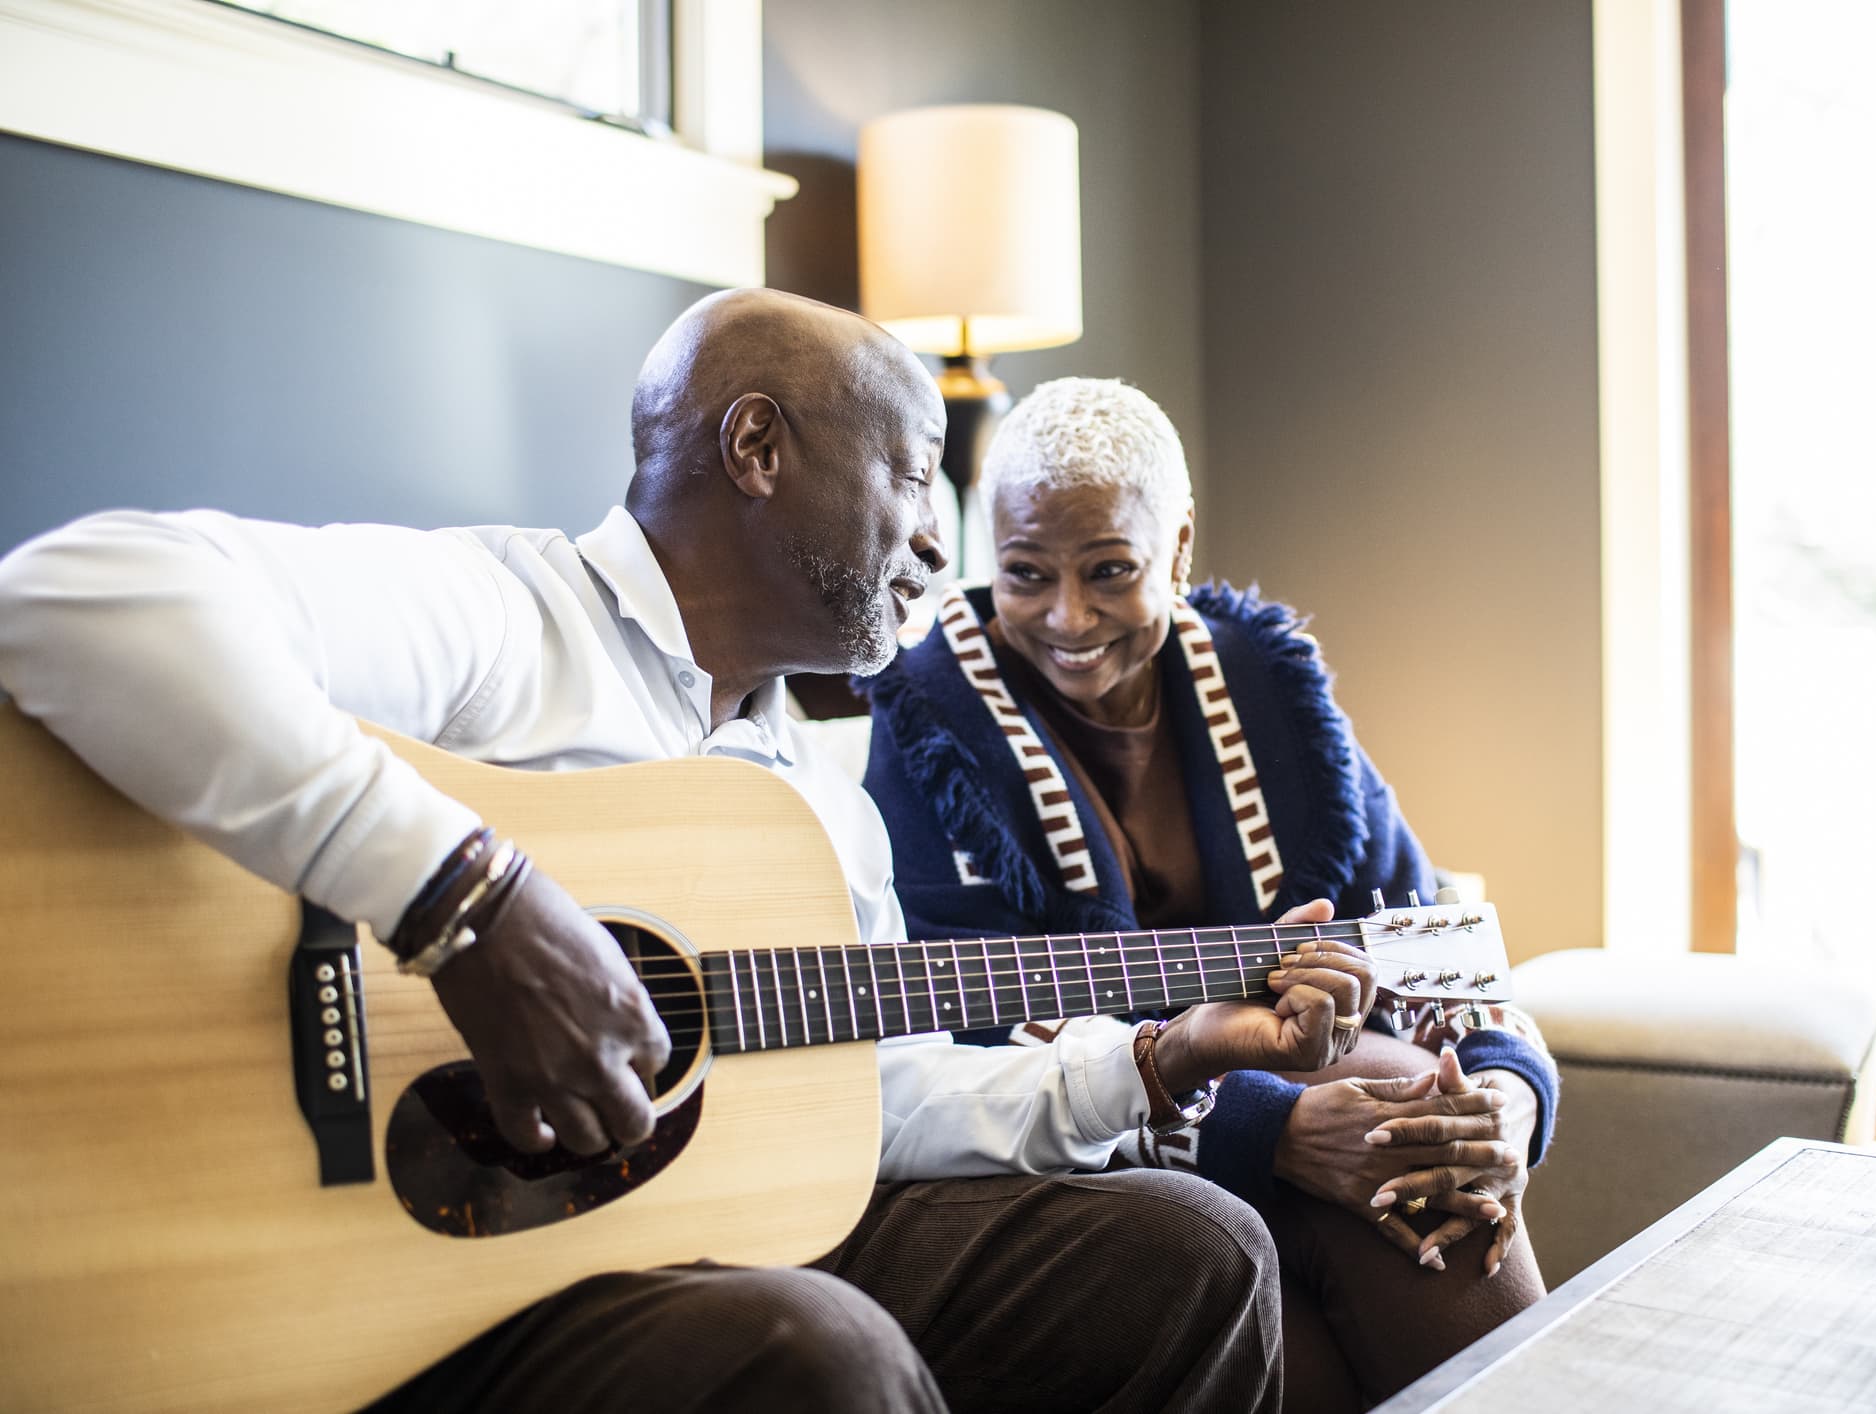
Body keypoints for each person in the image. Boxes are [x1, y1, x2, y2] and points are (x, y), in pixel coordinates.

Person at [0, 292, 1379, 1414]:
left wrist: (1158, 1057)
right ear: (759, 446)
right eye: (911, 477)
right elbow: (77, 597)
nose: (933, 543)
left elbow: (877, 1103)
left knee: (1189, 1247)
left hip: (677, 1235)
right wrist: (468, 906)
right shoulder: (506, 617)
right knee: (813, 1349)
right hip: (412, 1262)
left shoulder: (816, 799)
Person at [860, 376, 1562, 1410]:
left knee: (1421, 1138)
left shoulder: (1273, 691)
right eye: (1024, 574)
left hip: (1322, 1129)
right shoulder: (928, 717)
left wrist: (1505, 1095)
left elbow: (1431, 938)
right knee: (1374, 1127)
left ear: (1180, 547)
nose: (1067, 616)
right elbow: (959, 1032)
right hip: (1097, 1161)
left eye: (1110, 571)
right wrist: (1269, 1129)